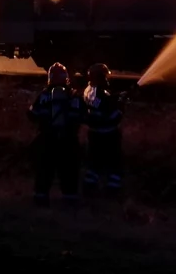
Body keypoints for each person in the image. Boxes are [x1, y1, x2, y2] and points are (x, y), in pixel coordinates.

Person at [28, 62, 82, 207]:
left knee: (44, 172)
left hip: (47, 140)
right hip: (69, 141)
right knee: (69, 173)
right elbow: (84, 116)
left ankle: (40, 200)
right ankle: (69, 203)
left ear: (50, 78)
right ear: (66, 78)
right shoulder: (74, 96)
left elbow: (32, 114)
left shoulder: (44, 96)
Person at [82, 63, 125, 195]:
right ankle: (113, 189)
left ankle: (90, 187)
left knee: (93, 163)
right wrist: (121, 107)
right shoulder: (104, 97)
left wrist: (114, 99)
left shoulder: (88, 91)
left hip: (94, 134)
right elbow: (114, 116)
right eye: (105, 77)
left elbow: (100, 106)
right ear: (101, 77)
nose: (107, 79)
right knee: (114, 162)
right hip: (109, 135)